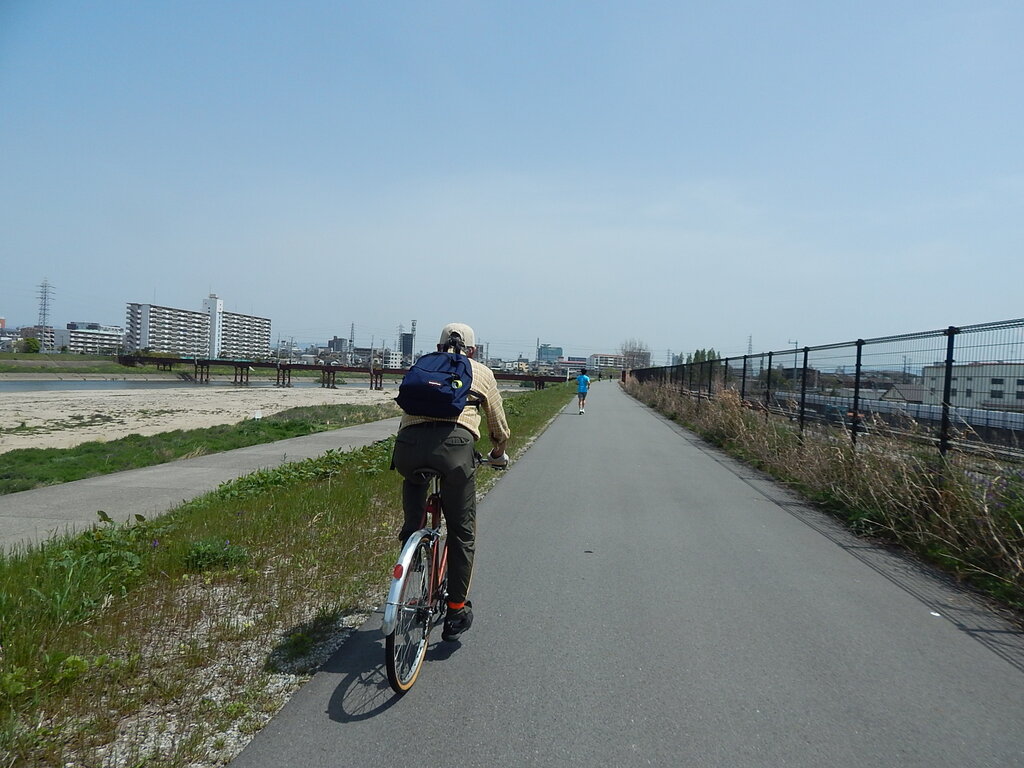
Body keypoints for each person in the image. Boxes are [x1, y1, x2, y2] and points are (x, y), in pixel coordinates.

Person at [391, 322, 510, 641]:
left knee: (414, 479)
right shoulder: (481, 372)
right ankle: (456, 610)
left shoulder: (423, 365)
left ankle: (411, 540)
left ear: (439, 347)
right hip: (455, 451)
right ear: (473, 350)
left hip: (408, 448)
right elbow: (498, 424)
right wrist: (498, 451)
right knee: (462, 531)